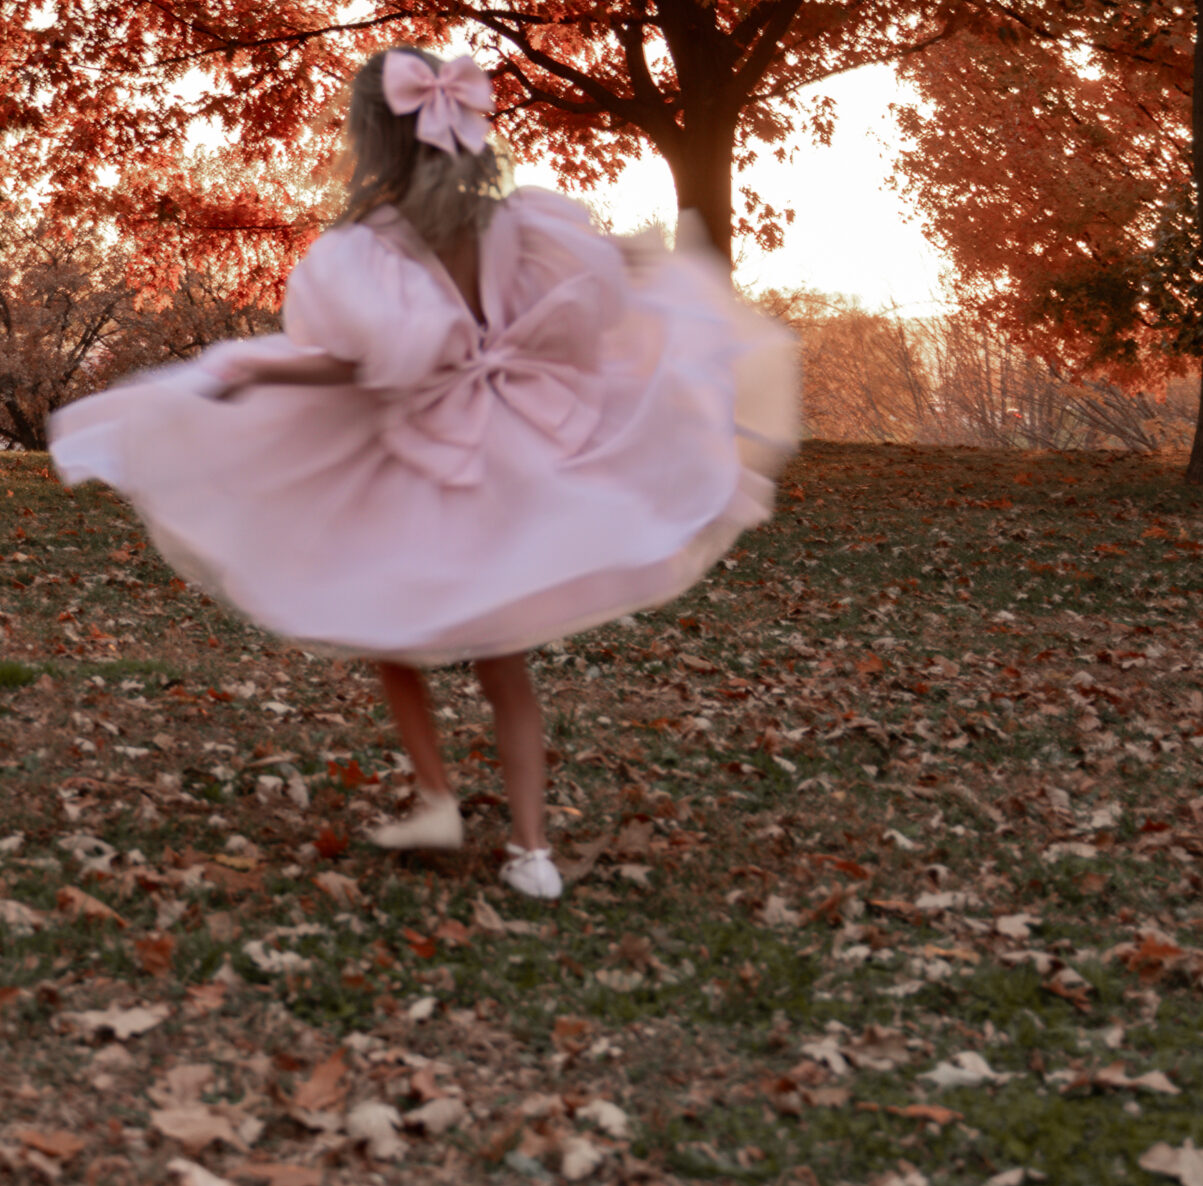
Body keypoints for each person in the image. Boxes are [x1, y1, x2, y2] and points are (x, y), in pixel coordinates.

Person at [48, 47, 797, 900]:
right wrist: (634, 266)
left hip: (423, 452)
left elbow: (364, 365)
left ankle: (440, 797)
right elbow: (582, 313)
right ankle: (529, 849)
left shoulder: (371, 249)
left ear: (371, 139)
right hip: (513, 447)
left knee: (388, 621)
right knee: (497, 657)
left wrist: (255, 370)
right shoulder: (523, 225)